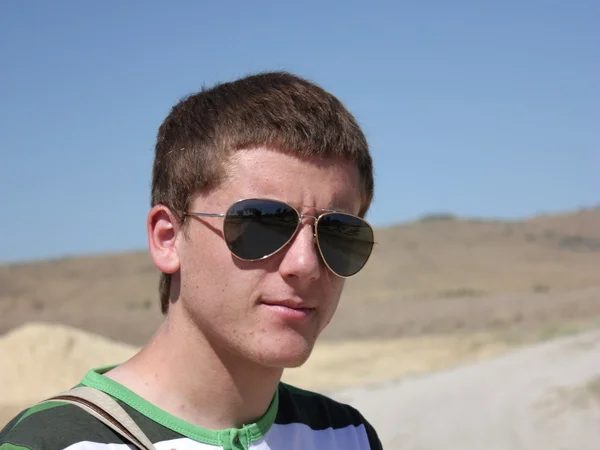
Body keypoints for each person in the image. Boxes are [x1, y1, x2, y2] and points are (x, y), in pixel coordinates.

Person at [0, 71, 382, 449]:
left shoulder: (347, 436)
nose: (306, 264)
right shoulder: (53, 443)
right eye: (262, 223)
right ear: (168, 239)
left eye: (337, 233)